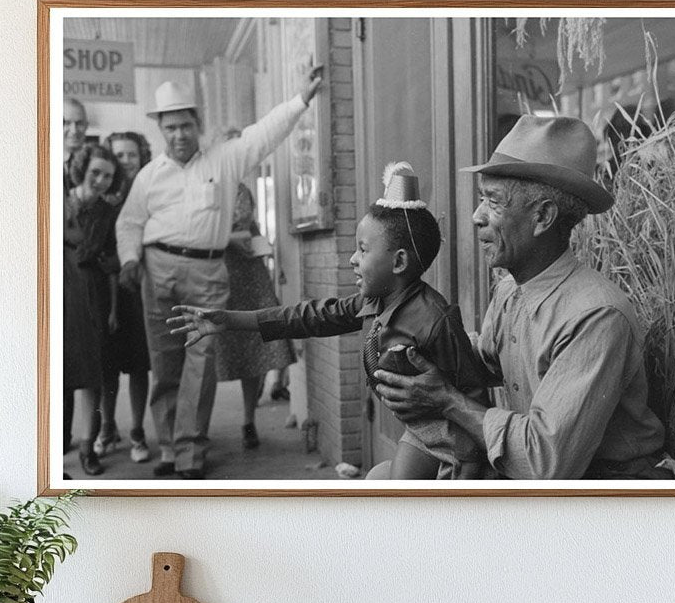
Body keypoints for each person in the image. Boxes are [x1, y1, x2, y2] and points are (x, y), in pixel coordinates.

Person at [373, 116, 675, 481]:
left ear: (543, 216)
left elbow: (545, 464)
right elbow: (484, 362)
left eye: (493, 202)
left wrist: (447, 401)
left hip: (600, 488)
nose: (476, 216)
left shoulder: (596, 316)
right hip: (533, 471)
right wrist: (421, 339)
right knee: (383, 479)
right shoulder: (510, 290)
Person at [168, 162, 490, 479]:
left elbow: (471, 394)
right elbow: (309, 317)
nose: (352, 259)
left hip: (453, 439)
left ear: (399, 261)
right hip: (419, 429)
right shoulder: (374, 302)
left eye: (363, 250)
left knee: (400, 498)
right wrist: (229, 319)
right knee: (380, 484)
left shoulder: (435, 319)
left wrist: (471, 472)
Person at [115, 68, 323, 479]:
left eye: (186, 125)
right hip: (156, 271)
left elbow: (262, 135)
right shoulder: (148, 177)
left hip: (207, 273)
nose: (179, 134)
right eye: (171, 127)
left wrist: (300, 99)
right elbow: (129, 224)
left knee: (201, 363)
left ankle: (191, 454)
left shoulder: (223, 160)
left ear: (198, 124)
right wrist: (129, 260)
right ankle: (171, 451)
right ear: (160, 128)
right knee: (165, 362)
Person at [212, 170, 295, 451]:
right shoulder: (205, 188)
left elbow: (251, 228)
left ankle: (249, 420)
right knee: (210, 350)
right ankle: (196, 430)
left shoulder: (242, 189)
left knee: (255, 345)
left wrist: (263, 246)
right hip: (217, 271)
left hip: (249, 272)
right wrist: (229, 239)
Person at [63, 143, 125, 476]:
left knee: (93, 375)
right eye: (95, 172)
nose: (100, 180)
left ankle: (88, 448)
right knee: (60, 371)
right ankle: (59, 446)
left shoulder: (108, 212)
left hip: (93, 293)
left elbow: (113, 264)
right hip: (60, 286)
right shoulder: (60, 199)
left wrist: (114, 309)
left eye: (108, 176)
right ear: (83, 169)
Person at [97, 131, 153, 463]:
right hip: (107, 288)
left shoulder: (150, 191)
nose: (125, 160)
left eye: (131, 154)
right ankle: (107, 427)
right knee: (107, 365)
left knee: (138, 364)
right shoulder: (105, 194)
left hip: (140, 286)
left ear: (141, 156)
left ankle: (137, 431)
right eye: (119, 155)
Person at [62, 98, 88, 189]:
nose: (74, 131)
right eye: (67, 123)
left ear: (86, 126)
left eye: (79, 123)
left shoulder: (95, 162)